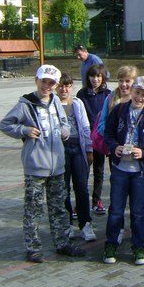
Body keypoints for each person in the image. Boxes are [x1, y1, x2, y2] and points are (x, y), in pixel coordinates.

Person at [0, 64, 86, 263]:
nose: (47, 86)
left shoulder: (56, 101)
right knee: (34, 208)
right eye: (43, 81)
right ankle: (33, 247)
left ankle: (62, 242)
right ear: (36, 81)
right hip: (36, 167)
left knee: (59, 207)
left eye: (51, 83)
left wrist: (65, 131)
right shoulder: (26, 104)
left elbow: (64, 122)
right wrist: (24, 131)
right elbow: (5, 124)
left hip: (57, 166)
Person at [102, 76, 144, 266]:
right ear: (131, 91)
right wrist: (114, 147)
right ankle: (111, 244)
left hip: (141, 172)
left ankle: (139, 247)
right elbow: (108, 133)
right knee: (116, 210)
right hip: (120, 168)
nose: (139, 97)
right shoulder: (120, 110)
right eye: (137, 92)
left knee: (138, 212)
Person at [93, 65, 138, 215]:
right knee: (117, 185)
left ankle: (134, 214)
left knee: (135, 188)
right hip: (116, 150)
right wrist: (113, 139)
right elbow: (101, 125)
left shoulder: (138, 98)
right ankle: (117, 216)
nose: (124, 84)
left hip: (135, 150)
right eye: (120, 80)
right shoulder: (111, 98)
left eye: (127, 81)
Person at [56, 72, 96, 242]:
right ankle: (67, 224)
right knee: (62, 188)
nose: (64, 89)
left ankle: (85, 223)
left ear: (71, 87)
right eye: (60, 86)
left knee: (81, 187)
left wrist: (89, 149)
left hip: (78, 149)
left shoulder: (77, 103)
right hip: (60, 151)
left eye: (67, 86)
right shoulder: (52, 103)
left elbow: (85, 127)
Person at [76, 64, 111, 218]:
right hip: (85, 138)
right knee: (82, 171)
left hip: (100, 139)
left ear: (102, 78)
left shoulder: (108, 94)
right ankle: (80, 203)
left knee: (99, 170)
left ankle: (97, 201)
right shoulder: (81, 94)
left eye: (98, 76)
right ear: (88, 77)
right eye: (92, 76)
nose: (95, 79)